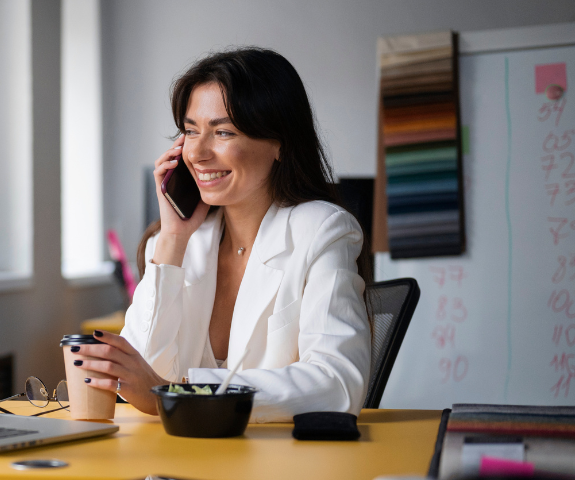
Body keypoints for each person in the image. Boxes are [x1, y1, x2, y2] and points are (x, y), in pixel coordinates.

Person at [72, 48, 371, 422]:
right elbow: (140, 377)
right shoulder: (175, 244)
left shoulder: (321, 230)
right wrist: (172, 239)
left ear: (280, 142)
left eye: (223, 132)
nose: (196, 153)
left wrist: (182, 393)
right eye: (190, 131)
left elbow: (339, 382)